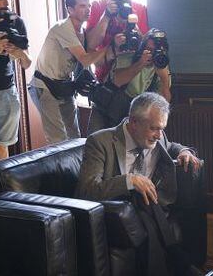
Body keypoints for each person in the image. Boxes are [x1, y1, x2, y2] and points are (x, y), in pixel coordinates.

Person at [75, 92, 203, 276]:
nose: (159, 135)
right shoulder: (100, 142)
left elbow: (170, 145)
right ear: (134, 122)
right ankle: (182, 265)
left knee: (146, 209)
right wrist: (129, 180)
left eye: (162, 128)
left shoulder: (156, 135)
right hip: (117, 210)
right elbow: (86, 191)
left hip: (150, 206)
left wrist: (184, 151)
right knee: (142, 208)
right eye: (154, 129)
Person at [29, 0, 112, 143]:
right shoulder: (63, 28)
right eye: (82, 6)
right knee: (57, 139)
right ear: (70, 9)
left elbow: (94, 49)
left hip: (65, 85)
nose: (88, 10)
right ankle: (59, 168)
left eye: (89, 5)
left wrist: (107, 17)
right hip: (45, 86)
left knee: (74, 136)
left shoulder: (81, 31)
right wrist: (109, 48)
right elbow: (86, 60)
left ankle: (76, 167)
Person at [87, 28, 172, 134]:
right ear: (142, 47)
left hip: (132, 114)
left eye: (157, 51)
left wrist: (164, 79)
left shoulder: (161, 65)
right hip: (106, 108)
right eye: (149, 49)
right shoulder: (128, 57)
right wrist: (140, 63)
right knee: (96, 143)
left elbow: (164, 103)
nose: (153, 54)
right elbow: (117, 81)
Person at [0, 0, 31, 161]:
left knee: (3, 146)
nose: (6, 3)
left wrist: (18, 52)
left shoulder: (16, 22)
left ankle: (1, 189)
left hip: (7, 90)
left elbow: (27, 63)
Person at [86, 0, 149, 82]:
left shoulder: (139, 9)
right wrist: (106, 16)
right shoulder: (99, 6)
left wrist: (132, 22)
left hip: (133, 75)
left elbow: (146, 47)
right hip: (105, 74)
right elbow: (90, 44)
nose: (120, 3)